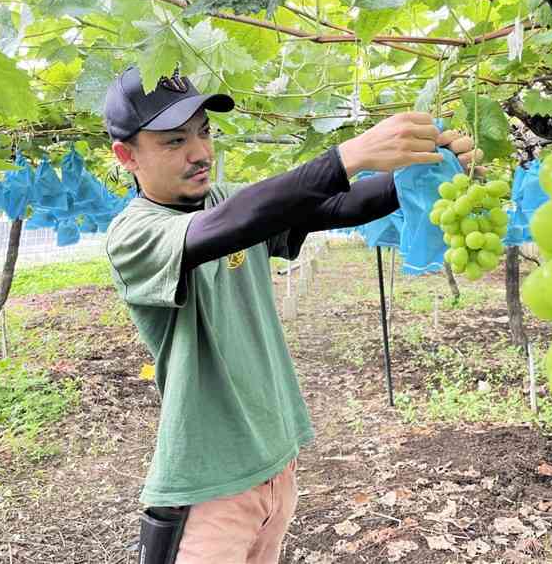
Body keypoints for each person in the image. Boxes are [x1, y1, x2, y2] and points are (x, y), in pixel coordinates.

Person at [103, 66, 480, 564]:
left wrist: (427, 170)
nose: (200, 153)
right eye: (174, 142)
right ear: (126, 155)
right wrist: (346, 156)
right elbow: (235, 223)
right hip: (210, 484)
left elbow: (334, 206)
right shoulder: (134, 234)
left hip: (275, 461)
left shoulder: (221, 198)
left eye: (203, 132)